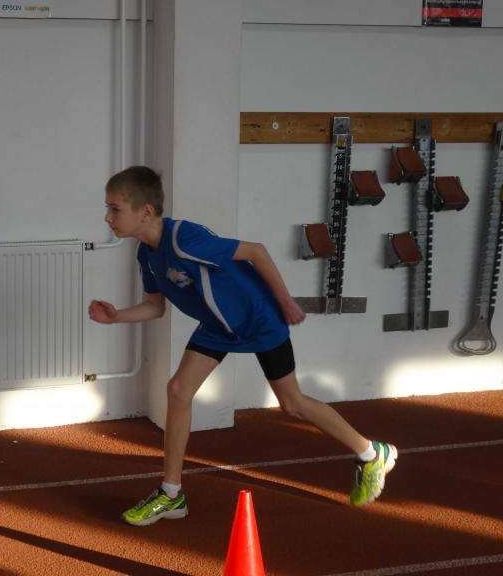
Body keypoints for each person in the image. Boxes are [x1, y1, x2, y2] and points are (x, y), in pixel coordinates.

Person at [88, 166, 397, 526]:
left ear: (145, 212)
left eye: (115, 209)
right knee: (178, 390)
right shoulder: (147, 253)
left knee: (292, 403)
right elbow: (155, 307)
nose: (108, 217)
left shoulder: (185, 240)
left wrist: (285, 301)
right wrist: (116, 317)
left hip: (258, 319)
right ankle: (171, 495)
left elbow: (255, 251)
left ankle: (371, 452)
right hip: (218, 327)